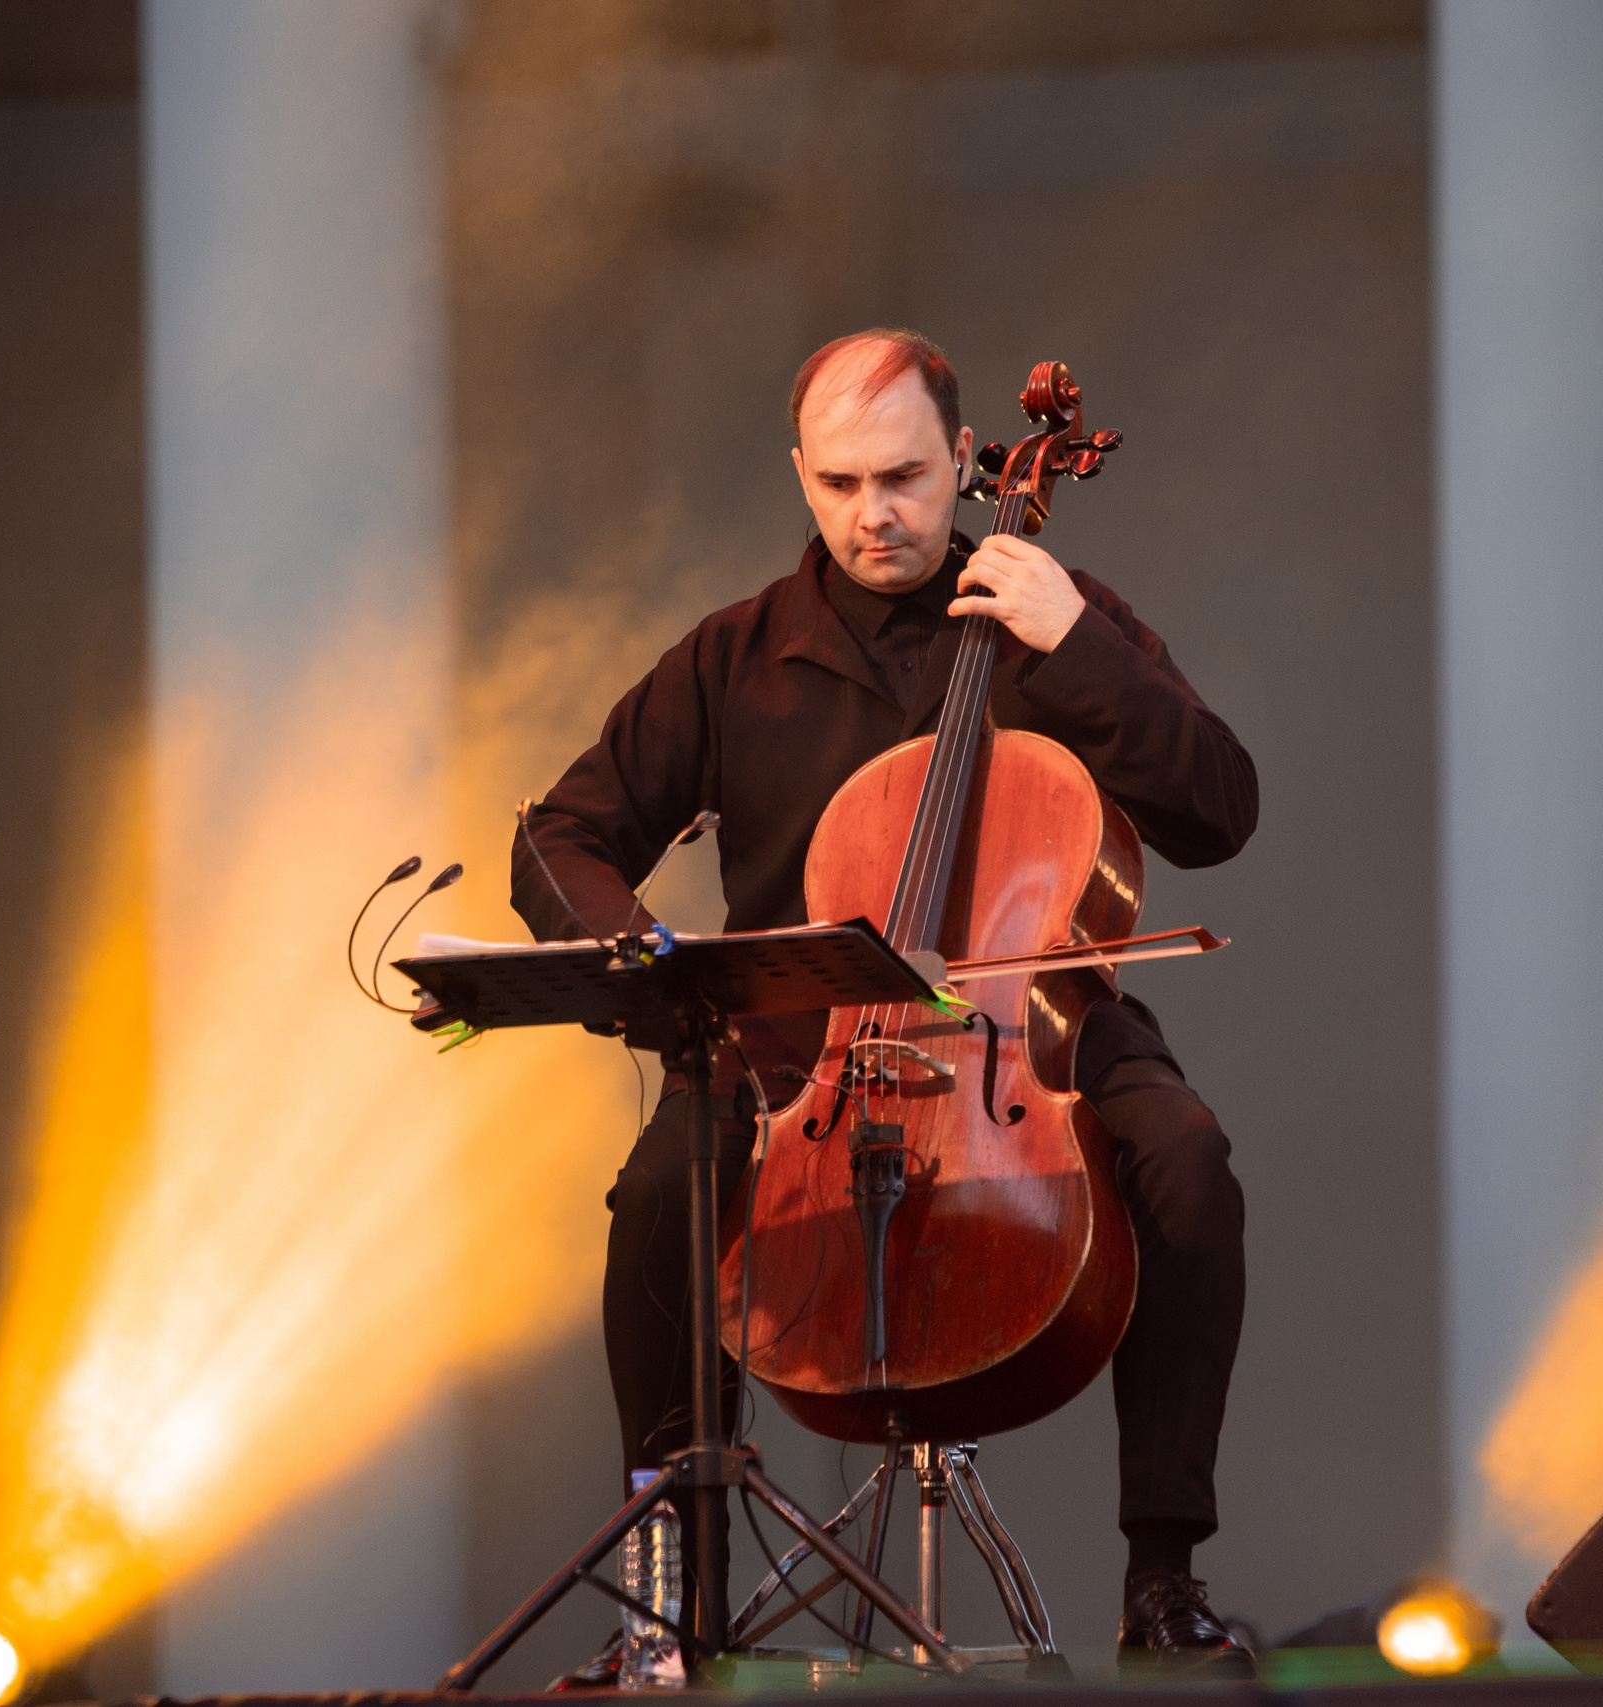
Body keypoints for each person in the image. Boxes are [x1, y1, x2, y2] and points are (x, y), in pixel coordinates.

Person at [513, 328, 1259, 1678]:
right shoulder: (734, 657)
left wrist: (1079, 646)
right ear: (801, 476)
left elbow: (1218, 810)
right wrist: (653, 970)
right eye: (843, 484)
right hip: (796, 1044)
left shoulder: (1053, 612)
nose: (878, 513)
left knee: (1190, 1163)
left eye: (908, 478)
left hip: (1039, 1021)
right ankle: (673, 1604)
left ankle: (1164, 1579)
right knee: (658, 1195)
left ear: (968, 462)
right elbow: (561, 838)